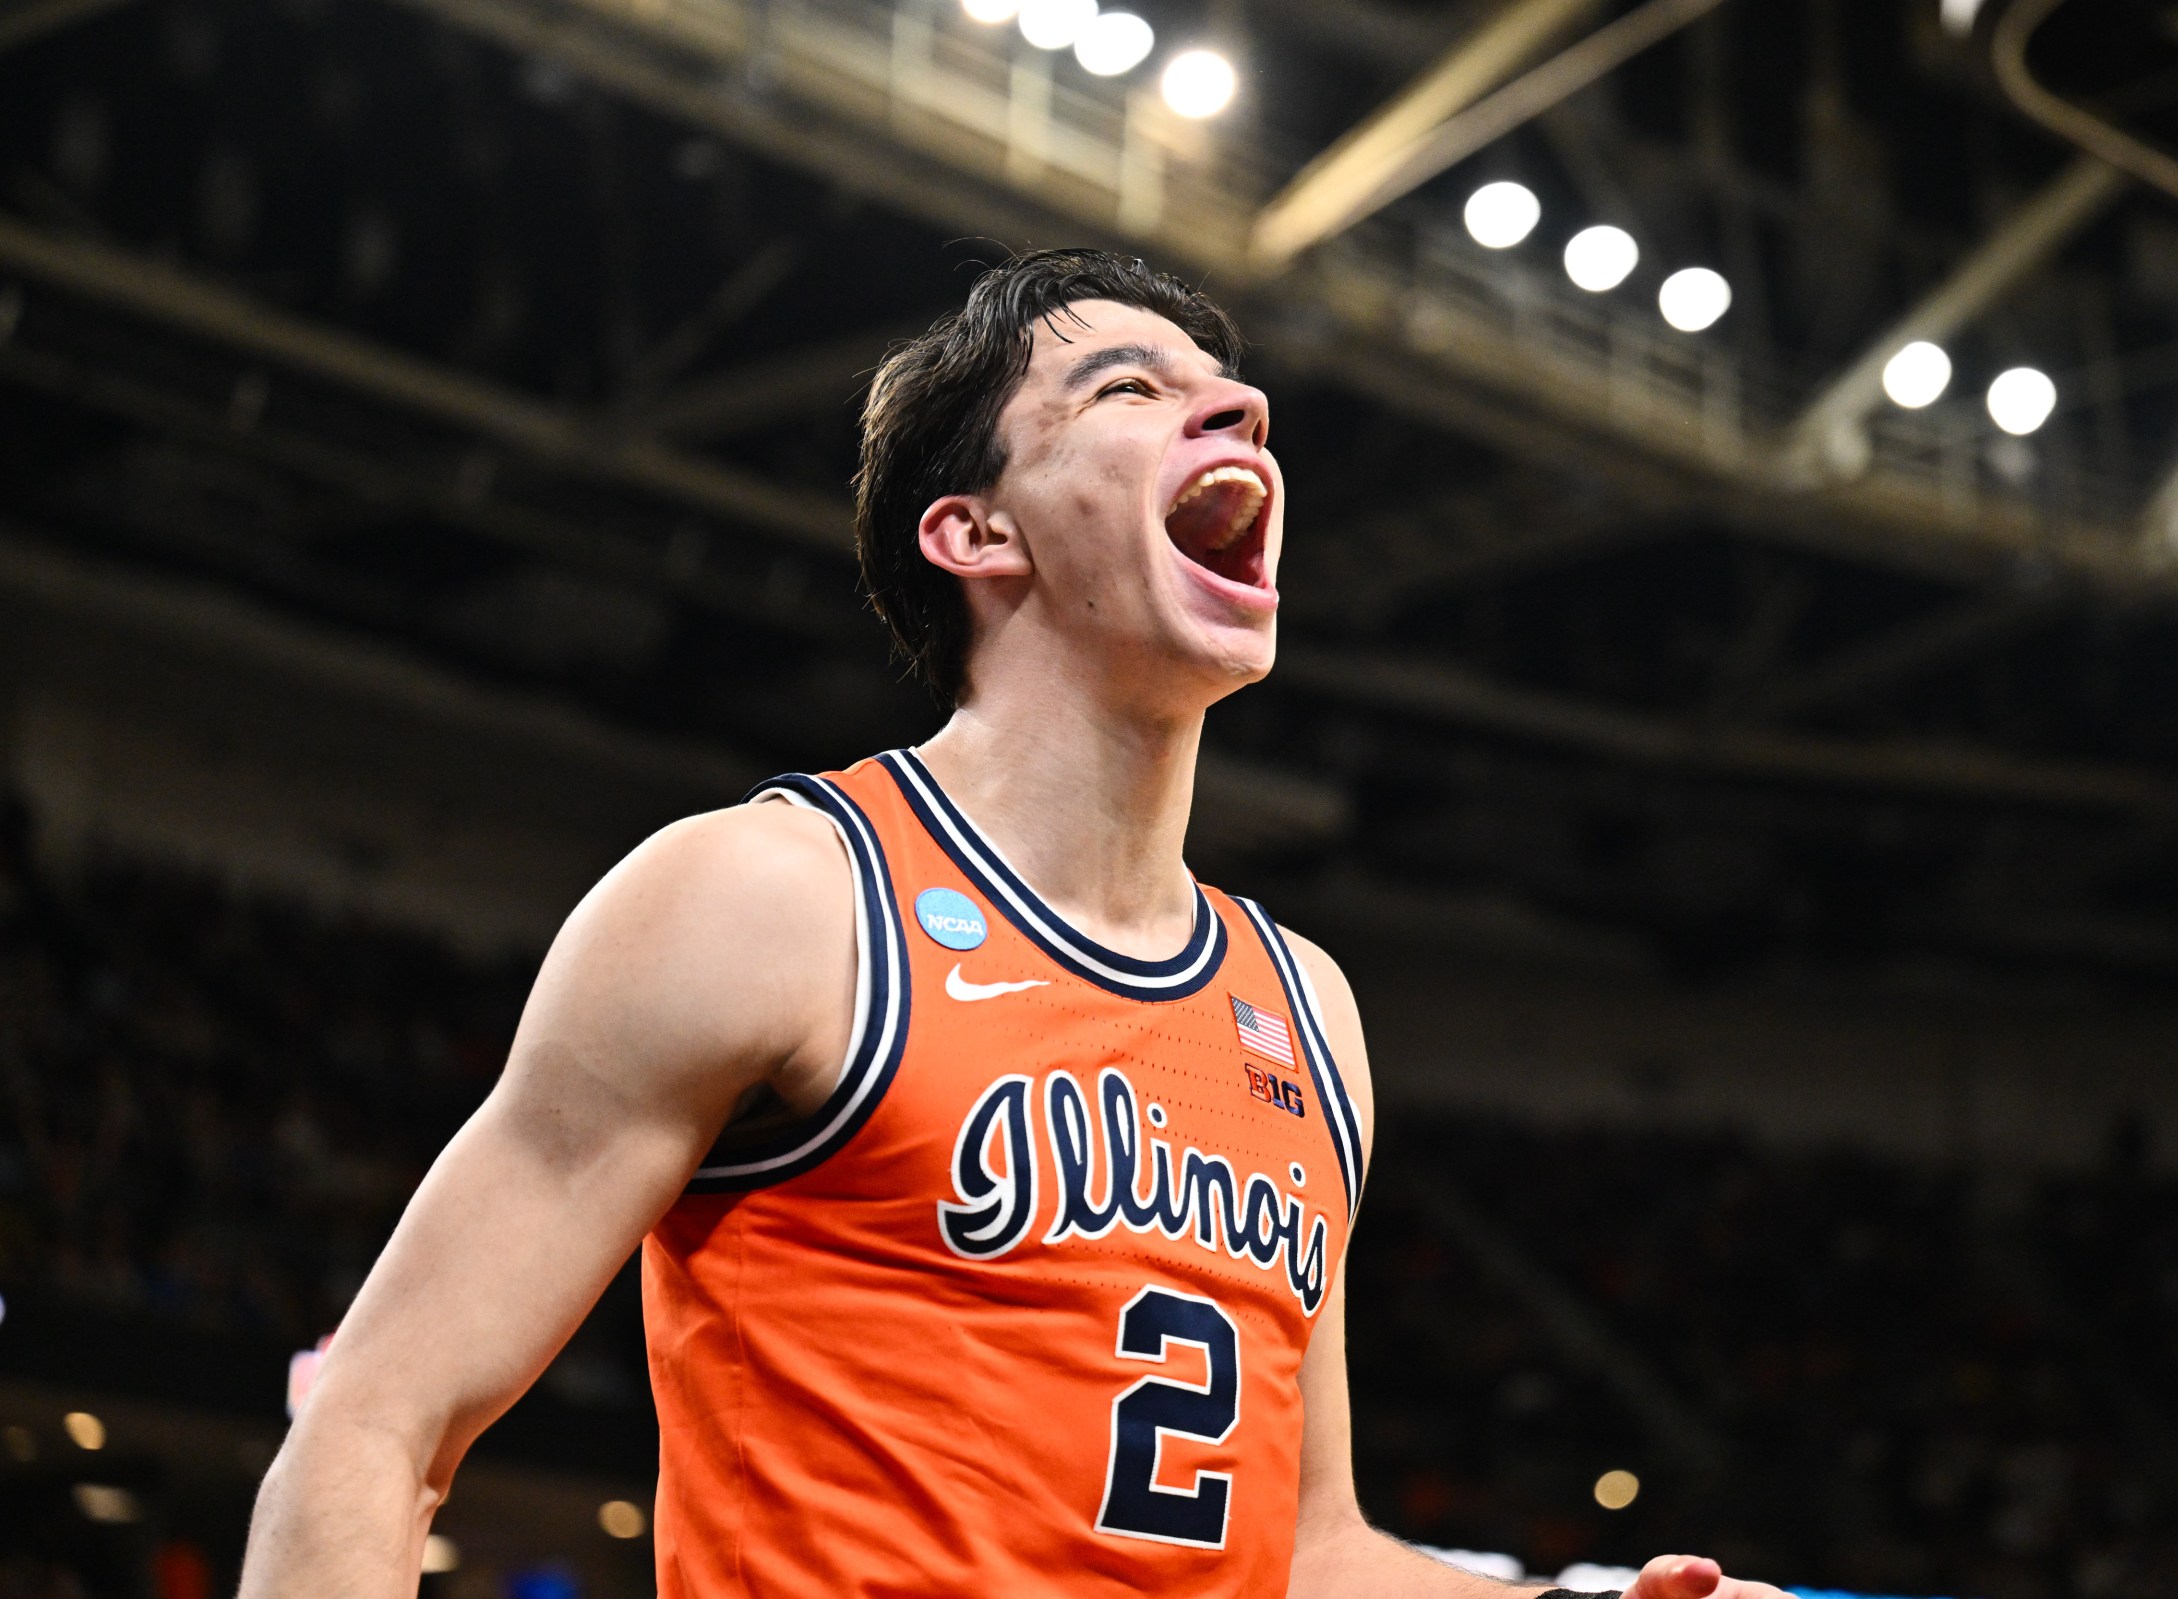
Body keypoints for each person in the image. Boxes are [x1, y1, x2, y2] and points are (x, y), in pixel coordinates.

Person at [237, 249, 1790, 1599]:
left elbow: (1304, 1557)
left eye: (1229, 388)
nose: (1237, 411)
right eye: (1127, 389)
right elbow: (375, 1425)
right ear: (976, 534)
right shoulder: (774, 897)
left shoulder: (1307, 1008)